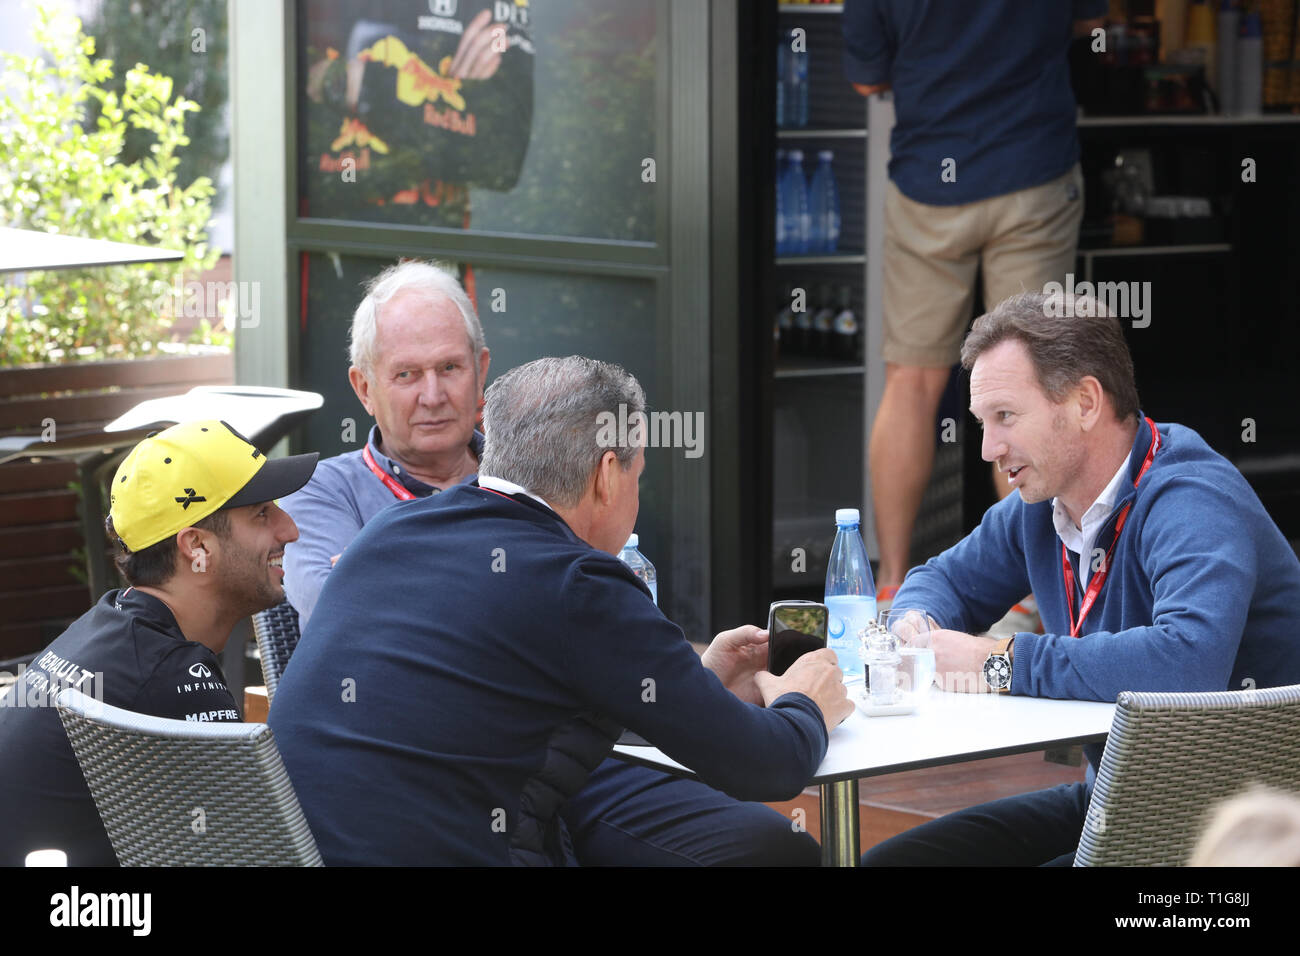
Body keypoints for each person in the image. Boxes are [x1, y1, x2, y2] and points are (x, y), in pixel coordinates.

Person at [282, 263, 830, 866]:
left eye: (449, 369)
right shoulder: (578, 583)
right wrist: (807, 701)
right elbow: (770, 766)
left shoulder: (391, 529)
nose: (432, 393)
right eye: (637, 475)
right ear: (605, 475)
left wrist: (696, 682)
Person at [859, 291, 1300, 866]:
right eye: (982, 423)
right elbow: (942, 577)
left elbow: (1189, 660)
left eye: (1006, 417)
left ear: (1085, 402)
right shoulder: (1041, 501)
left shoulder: (1192, 498)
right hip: (1119, 800)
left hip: (1236, 834)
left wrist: (999, 661)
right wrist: (917, 623)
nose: (989, 449)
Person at [842, 1, 1105, 606]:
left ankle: (890, 587)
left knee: (910, 381)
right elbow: (1091, 27)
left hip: (929, 182)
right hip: (1033, 174)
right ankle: (1032, 596)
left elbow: (865, 77)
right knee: (1033, 384)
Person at [0, 420, 317, 866]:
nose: (290, 529)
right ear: (197, 546)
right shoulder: (172, 676)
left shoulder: (110, 623)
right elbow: (259, 852)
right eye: (262, 513)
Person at [281, 260, 490, 631]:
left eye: (449, 368)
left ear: (481, 371)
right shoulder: (321, 491)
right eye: (406, 374)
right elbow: (340, 617)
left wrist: (385, 568)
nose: (432, 395)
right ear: (365, 389)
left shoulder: (526, 478)